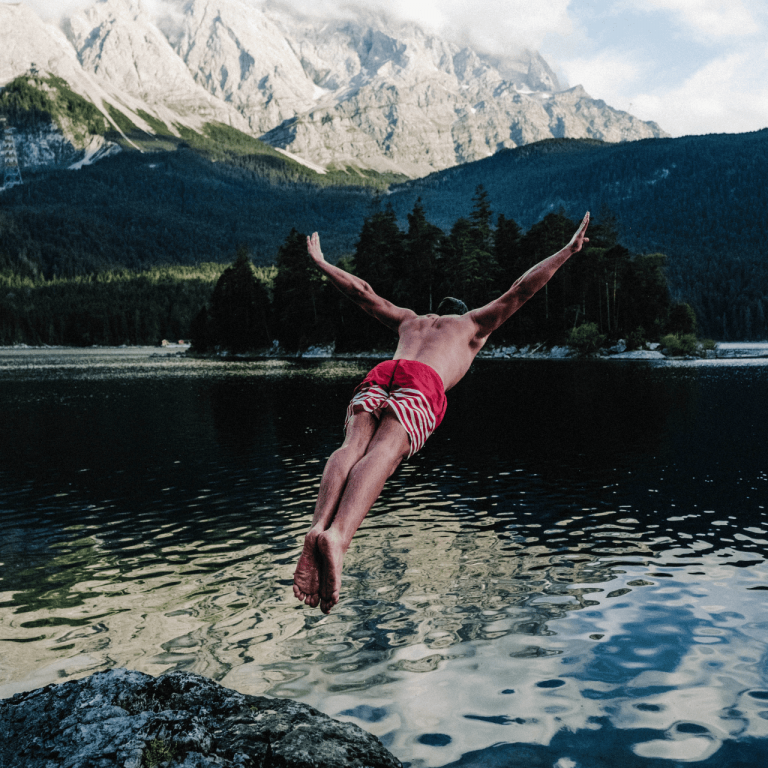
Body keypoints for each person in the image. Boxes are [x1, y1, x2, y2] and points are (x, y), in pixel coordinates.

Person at [293, 212, 591, 613]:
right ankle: (339, 537)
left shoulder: (411, 322)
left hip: (383, 373)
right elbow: (520, 290)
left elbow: (362, 292)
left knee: (352, 447)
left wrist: (321, 262)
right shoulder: (471, 326)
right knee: (383, 454)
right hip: (421, 384)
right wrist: (568, 251)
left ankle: (318, 526)